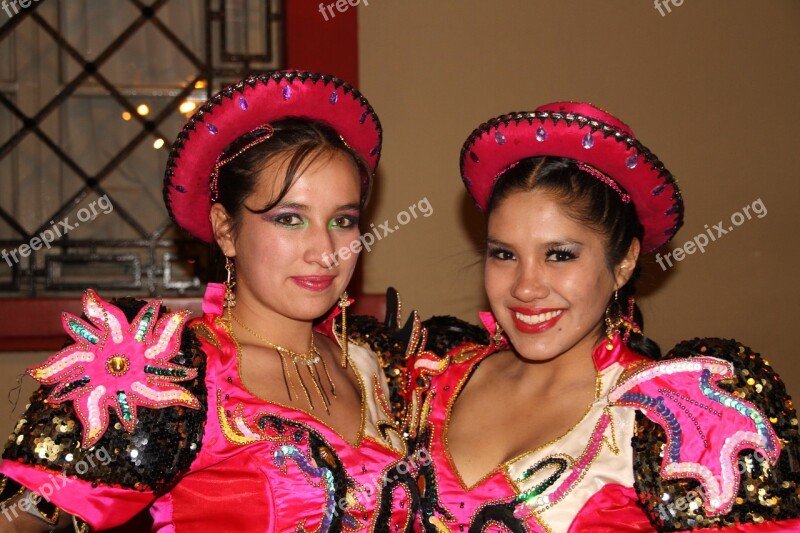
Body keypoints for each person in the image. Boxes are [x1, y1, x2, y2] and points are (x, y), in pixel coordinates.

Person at [0, 71, 418, 532]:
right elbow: (22, 517)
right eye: (289, 219)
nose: (326, 251)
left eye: (342, 220)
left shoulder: (379, 363)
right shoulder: (171, 373)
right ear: (225, 229)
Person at [407, 102, 800, 531]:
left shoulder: (674, 416)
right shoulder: (433, 378)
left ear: (625, 262)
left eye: (559, 255)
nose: (525, 287)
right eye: (504, 254)